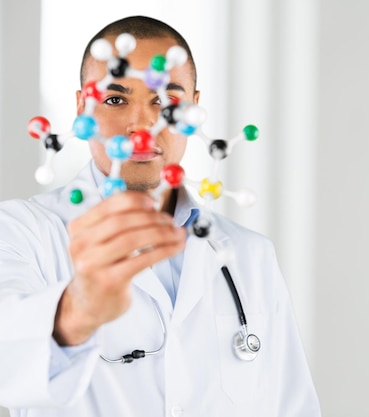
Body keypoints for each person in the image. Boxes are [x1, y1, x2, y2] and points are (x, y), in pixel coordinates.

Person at [0, 15, 320, 417]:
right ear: (82, 106)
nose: (143, 125)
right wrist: (76, 312)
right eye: (115, 99)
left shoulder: (249, 254)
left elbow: (293, 405)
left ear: (194, 110)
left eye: (166, 102)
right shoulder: (21, 232)